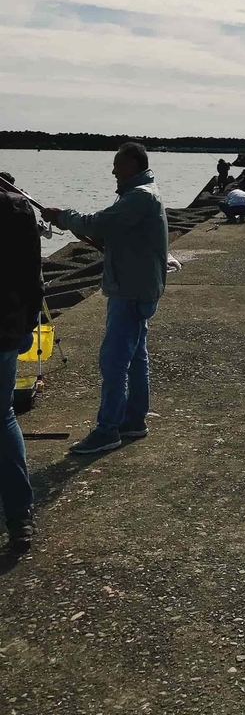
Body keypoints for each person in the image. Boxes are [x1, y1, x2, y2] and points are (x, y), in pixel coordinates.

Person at [42, 142, 168, 456]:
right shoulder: (140, 195)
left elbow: (98, 224)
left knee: (114, 361)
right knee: (136, 358)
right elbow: (110, 231)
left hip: (130, 291)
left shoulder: (139, 197)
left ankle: (107, 429)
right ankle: (133, 421)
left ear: (135, 166)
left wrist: (65, 216)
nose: (113, 171)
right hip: (137, 287)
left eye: (118, 165)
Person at [0, 186, 42, 550]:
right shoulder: (17, 206)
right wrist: (28, 325)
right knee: (3, 417)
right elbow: (33, 274)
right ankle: (19, 516)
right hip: (6, 327)